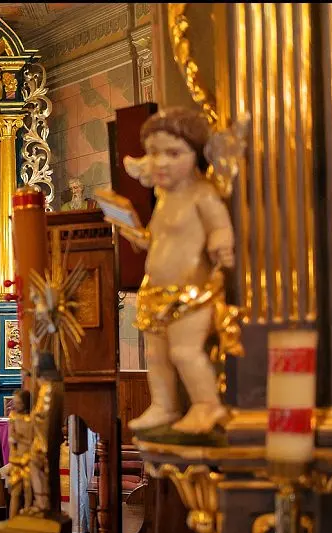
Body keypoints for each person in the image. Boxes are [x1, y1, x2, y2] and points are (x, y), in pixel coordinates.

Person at [117, 108, 237, 434]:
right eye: (154, 153)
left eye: (174, 153)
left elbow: (220, 226)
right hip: (155, 292)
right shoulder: (165, 197)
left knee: (185, 351)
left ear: (196, 154)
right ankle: (164, 405)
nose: (161, 162)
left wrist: (222, 241)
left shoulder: (202, 193)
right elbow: (157, 239)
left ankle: (206, 405)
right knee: (156, 356)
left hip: (191, 292)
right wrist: (136, 235)